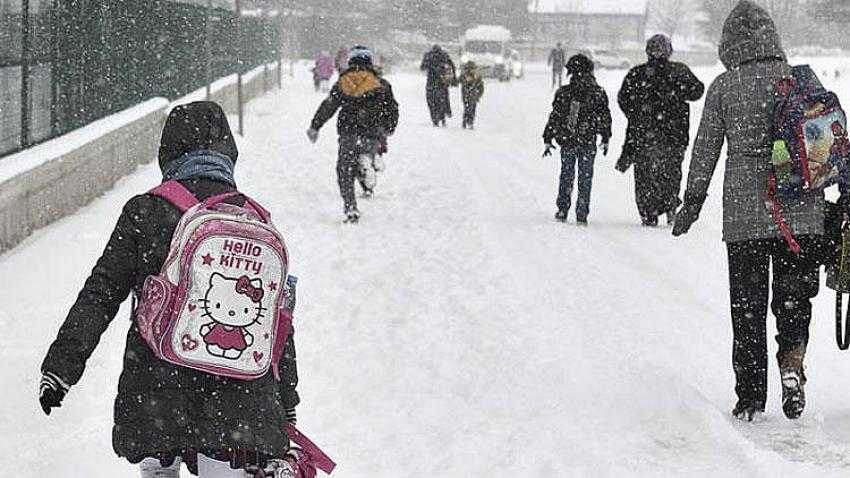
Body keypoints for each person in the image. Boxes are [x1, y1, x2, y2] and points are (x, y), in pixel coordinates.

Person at [38, 101, 301, 477]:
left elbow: (101, 293)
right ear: (228, 152)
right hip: (239, 398)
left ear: (169, 150)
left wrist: (61, 367)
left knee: (159, 468)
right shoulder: (253, 219)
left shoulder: (145, 211)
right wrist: (285, 399)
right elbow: (278, 322)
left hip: (157, 389)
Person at [672, 0, 822, 422]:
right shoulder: (796, 80)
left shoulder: (724, 86)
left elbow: (704, 152)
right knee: (793, 300)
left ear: (729, 43)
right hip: (801, 213)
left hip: (745, 218)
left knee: (749, 308)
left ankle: (751, 396)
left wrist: (691, 204)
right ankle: (792, 365)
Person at [616, 34, 704, 227]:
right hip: (674, 134)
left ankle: (649, 211)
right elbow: (697, 91)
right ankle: (670, 204)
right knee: (671, 172)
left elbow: (623, 99)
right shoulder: (679, 71)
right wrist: (678, 93)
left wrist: (637, 114)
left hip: (644, 133)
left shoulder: (637, 74)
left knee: (645, 174)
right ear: (669, 51)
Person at [307, 46, 399, 223]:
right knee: (364, 156)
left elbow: (329, 106)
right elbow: (392, 109)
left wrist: (315, 126)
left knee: (344, 169)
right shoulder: (382, 85)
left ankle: (350, 207)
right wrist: (389, 128)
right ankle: (369, 165)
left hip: (348, 133)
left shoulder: (343, 82)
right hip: (372, 134)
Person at [543, 54, 612, 225]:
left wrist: (548, 136)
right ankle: (582, 211)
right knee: (585, 177)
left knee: (566, 174)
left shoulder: (565, 92)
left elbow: (555, 116)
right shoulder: (598, 93)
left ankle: (562, 208)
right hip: (588, 140)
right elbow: (605, 116)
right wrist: (605, 136)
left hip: (568, 139)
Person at [420, 45, 456, 127]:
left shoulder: (428, 56)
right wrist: (453, 79)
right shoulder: (444, 55)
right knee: (442, 101)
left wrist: (430, 66)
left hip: (431, 83)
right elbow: (452, 67)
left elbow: (422, 67)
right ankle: (443, 117)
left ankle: (435, 120)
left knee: (432, 103)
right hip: (442, 83)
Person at [459, 61, 484, 130]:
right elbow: (459, 81)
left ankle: (468, 122)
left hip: (472, 95)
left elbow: (481, 87)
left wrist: (478, 95)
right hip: (469, 95)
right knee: (469, 108)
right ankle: (467, 122)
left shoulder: (477, 76)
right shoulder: (465, 75)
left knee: (470, 109)